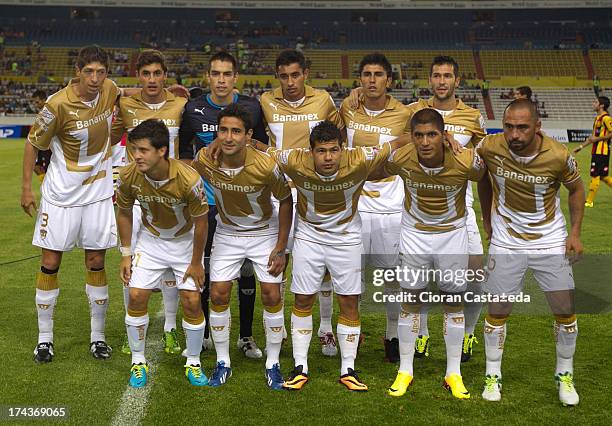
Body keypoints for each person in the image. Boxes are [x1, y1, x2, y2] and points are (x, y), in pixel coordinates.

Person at [244, 121, 409, 391]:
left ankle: (348, 369)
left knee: (349, 301)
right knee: (303, 298)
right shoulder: (295, 160)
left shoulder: (360, 158)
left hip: (346, 238)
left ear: (343, 149)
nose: (329, 157)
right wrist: (248, 142)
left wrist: (441, 135)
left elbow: (395, 144)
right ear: (310, 152)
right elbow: (268, 150)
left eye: (334, 150)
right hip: (309, 237)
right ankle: (300, 366)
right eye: (321, 151)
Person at [477, 99, 584, 406]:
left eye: (522, 127)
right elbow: (482, 178)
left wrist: (574, 234)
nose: (514, 134)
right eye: (509, 126)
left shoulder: (559, 155)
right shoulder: (490, 147)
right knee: (497, 311)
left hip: (550, 240)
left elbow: (576, 189)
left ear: (538, 127)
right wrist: (487, 218)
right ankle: (492, 374)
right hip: (507, 241)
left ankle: (565, 374)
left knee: (564, 311)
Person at [374, 108, 486, 399]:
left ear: (443, 135)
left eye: (432, 134)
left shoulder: (464, 160)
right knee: (410, 300)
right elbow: (373, 169)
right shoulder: (401, 158)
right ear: (412, 136)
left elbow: (486, 173)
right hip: (414, 235)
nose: (425, 142)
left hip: (452, 236)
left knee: (453, 303)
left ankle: (453, 373)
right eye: (419, 135)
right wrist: (396, 143)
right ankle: (406, 370)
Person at [22, 45, 119, 363]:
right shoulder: (57, 104)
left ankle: (98, 338)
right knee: (51, 261)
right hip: (61, 196)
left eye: (100, 72)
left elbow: (124, 98)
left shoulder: (110, 90)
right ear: (78, 70)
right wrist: (27, 189)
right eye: (88, 71)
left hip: (98, 194)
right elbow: (33, 144)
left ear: (107, 73)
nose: (95, 78)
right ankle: (45, 339)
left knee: (95, 261)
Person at [192, 104, 293, 390]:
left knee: (272, 295)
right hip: (227, 233)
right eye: (223, 130)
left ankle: (273, 364)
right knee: (218, 293)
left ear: (248, 135)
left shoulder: (265, 165)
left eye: (236, 131)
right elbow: (192, 175)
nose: (229, 137)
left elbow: (286, 201)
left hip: (264, 233)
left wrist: (281, 246)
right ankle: (223, 361)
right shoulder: (206, 159)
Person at [178, 51, 267, 357]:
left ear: (235, 77)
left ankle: (245, 336)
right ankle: (204, 333)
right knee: (206, 269)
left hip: (244, 202)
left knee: (246, 271)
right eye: (216, 74)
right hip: (207, 204)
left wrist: (235, 141)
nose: (221, 80)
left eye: (227, 74)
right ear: (208, 76)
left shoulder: (252, 108)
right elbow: (185, 156)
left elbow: (266, 148)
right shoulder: (193, 109)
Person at [260, 49, 345, 357]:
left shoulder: (323, 101)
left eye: (295, 75)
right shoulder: (265, 102)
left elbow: (339, 136)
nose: (290, 81)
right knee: (277, 257)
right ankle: (279, 326)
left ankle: (325, 328)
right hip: (278, 191)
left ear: (305, 73)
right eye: (284, 76)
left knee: (320, 266)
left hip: (313, 192)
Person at [405, 56, 487, 362]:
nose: (442, 81)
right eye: (437, 75)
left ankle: (467, 334)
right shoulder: (414, 111)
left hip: (461, 209)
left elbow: (484, 160)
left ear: (457, 80)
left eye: (447, 76)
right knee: (422, 279)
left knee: (476, 276)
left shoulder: (472, 117)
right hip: (422, 210)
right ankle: (423, 334)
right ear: (430, 80)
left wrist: (457, 147)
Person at [116, 119, 209, 388]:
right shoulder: (128, 175)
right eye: (135, 149)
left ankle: (193, 362)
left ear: (162, 151)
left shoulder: (188, 179)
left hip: (184, 243)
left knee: (192, 301)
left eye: (143, 150)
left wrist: (196, 262)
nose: (137, 156)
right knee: (135, 295)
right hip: (151, 242)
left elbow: (202, 222)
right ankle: (137, 360)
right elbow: (123, 212)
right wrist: (126, 253)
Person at [111, 49, 189, 356]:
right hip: (135, 195)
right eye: (146, 74)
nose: (152, 79)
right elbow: (110, 98)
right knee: (128, 261)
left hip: (171, 195)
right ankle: (132, 326)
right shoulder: (126, 104)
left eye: (157, 73)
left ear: (165, 75)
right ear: (138, 77)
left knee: (170, 268)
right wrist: (127, 91)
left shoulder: (180, 103)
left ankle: (170, 328)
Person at [339, 53, 412, 363]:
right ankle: (351, 335)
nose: (371, 79)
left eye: (378, 74)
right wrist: (349, 97)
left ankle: (392, 335)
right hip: (354, 206)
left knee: (392, 279)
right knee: (351, 277)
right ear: (359, 80)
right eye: (366, 74)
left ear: (389, 81)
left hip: (391, 208)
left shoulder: (405, 114)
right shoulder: (347, 109)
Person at [573, 96, 612, 208]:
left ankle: (589, 201)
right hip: (596, 151)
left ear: (602, 105)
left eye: (595, 102)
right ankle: (589, 201)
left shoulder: (606, 118)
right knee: (603, 177)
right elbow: (592, 137)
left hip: (602, 152)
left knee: (595, 174)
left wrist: (598, 139)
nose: (593, 103)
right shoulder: (597, 118)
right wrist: (580, 146)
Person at [31, 89, 51, 182]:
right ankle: (45, 184)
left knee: (48, 171)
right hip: (41, 147)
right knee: (36, 167)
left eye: (37, 102)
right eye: (34, 102)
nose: (36, 104)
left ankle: (47, 186)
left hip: (49, 149)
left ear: (44, 100)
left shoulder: (50, 112)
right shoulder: (41, 113)